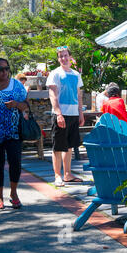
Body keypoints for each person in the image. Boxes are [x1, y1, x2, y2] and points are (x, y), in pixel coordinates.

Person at [0, 58, 28, 209]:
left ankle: (13, 193)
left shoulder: (16, 85)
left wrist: (16, 105)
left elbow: (26, 105)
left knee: (15, 163)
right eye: (0, 69)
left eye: (7, 68)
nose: (5, 72)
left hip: (13, 133)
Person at [46, 46, 85, 187]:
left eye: (65, 55)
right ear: (58, 59)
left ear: (70, 57)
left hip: (74, 114)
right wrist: (58, 114)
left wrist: (81, 113)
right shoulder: (55, 74)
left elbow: (78, 94)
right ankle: (57, 175)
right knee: (58, 147)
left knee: (69, 147)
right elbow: (53, 95)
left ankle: (67, 174)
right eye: (60, 56)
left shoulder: (76, 74)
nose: (63, 58)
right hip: (61, 115)